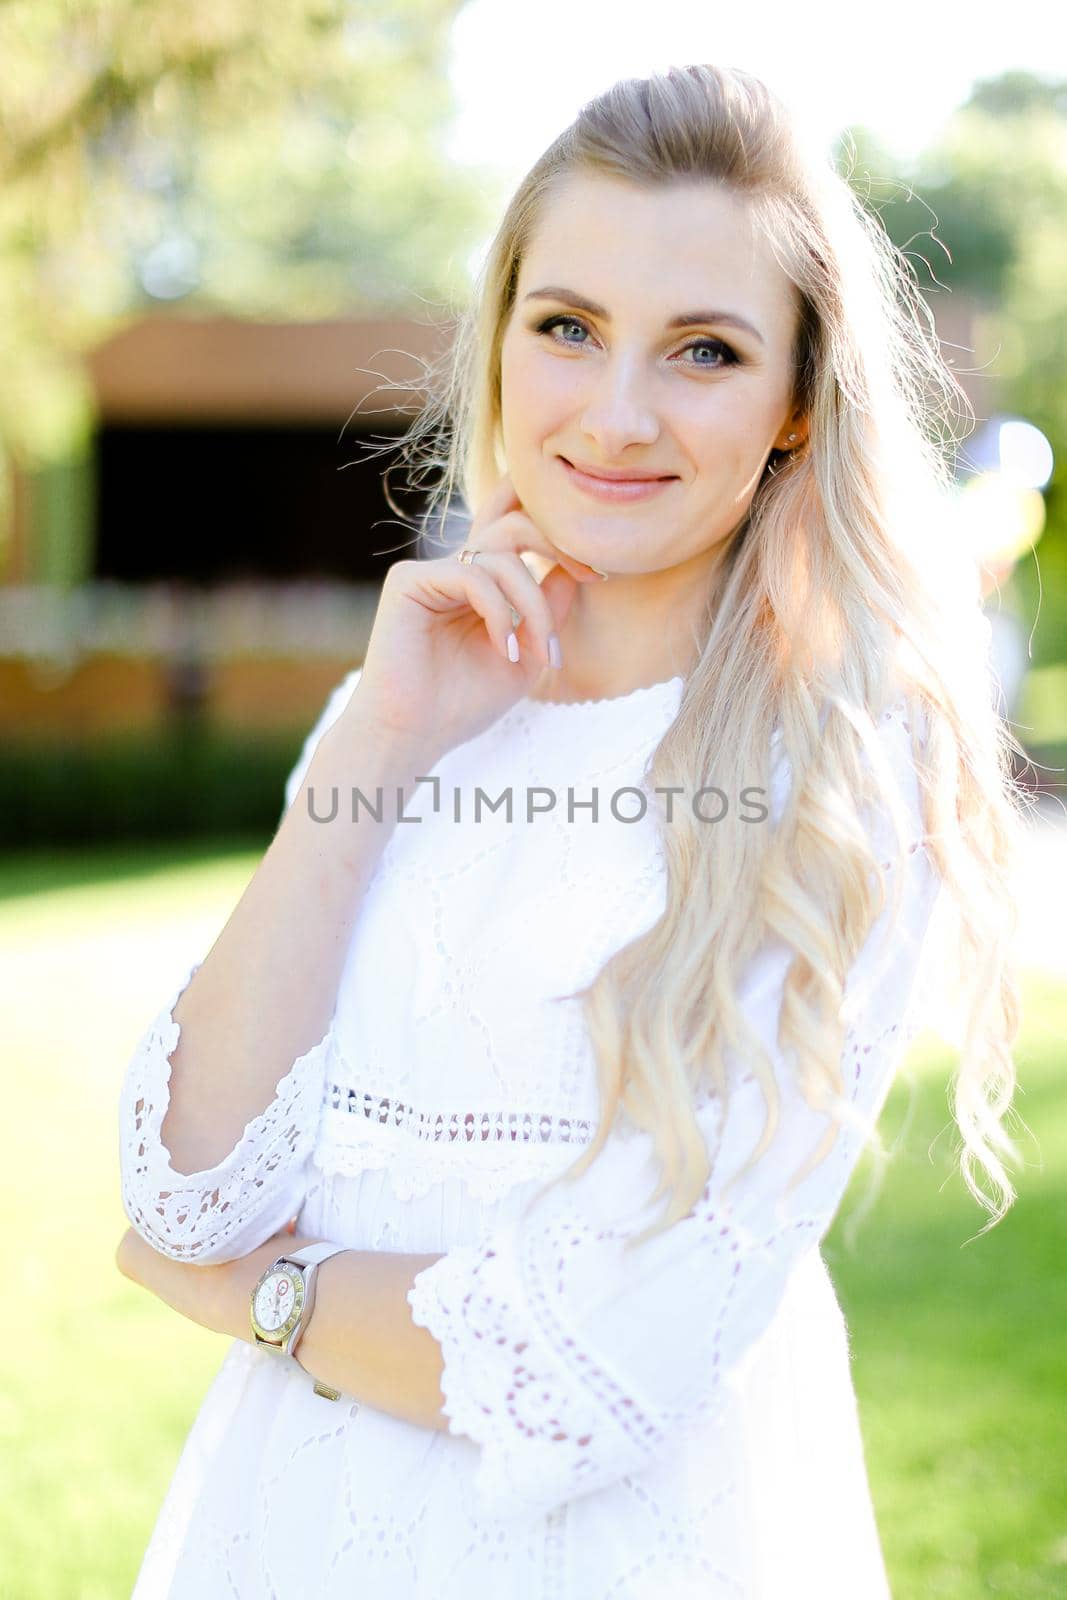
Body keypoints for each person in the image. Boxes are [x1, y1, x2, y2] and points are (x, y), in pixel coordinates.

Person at [116, 62, 1028, 1599]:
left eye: (704, 351)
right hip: (286, 1534)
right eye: (568, 328)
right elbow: (183, 1186)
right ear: (498, 343)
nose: (615, 414)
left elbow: (602, 1355)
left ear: (796, 407)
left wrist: (260, 1300)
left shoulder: (844, 781)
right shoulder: (396, 704)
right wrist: (387, 741)